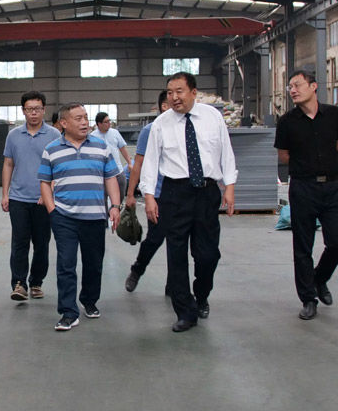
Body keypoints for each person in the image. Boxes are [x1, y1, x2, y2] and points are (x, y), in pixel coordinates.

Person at [140, 72, 237, 333]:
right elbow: (151, 161)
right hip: (175, 193)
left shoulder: (212, 117)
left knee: (208, 254)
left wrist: (229, 186)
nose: (174, 97)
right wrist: (149, 196)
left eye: (179, 91)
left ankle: (201, 294)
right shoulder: (161, 124)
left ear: (194, 92)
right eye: (170, 92)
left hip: (207, 192)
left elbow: (226, 152)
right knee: (176, 254)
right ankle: (185, 312)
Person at [39, 103, 122, 331]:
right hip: (64, 216)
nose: (85, 122)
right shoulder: (51, 149)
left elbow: (110, 178)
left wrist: (115, 206)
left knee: (94, 263)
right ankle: (68, 312)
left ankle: (89, 300)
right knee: (66, 264)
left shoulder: (101, 146)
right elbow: (44, 182)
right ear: (64, 123)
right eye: (78, 118)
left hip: (95, 216)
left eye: (86, 117)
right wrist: (52, 210)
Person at [274, 70, 338, 321]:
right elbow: (284, 155)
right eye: (290, 87)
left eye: (297, 85)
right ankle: (308, 299)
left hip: (332, 187)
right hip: (303, 188)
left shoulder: (334, 114)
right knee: (303, 246)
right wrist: (307, 166)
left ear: (313, 86)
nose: (293, 90)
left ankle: (319, 278)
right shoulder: (287, 121)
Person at [2, 91, 60, 301]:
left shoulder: (54, 135)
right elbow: (8, 164)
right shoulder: (13, 135)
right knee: (19, 242)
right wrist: (5, 194)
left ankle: (36, 282)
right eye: (29, 109)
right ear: (23, 111)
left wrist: (49, 192)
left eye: (37, 109)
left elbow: (58, 166)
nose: (33, 113)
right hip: (18, 198)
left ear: (44, 110)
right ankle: (19, 283)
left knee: (41, 243)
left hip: (43, 199)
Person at [124, 90, 171, 293]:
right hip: (158, 194)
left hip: (183, 194)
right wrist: (130, 194)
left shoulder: (188, 129)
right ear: (163, 106)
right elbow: (138, 164)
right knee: (155, 238)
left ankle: (175, 283)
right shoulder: (150, 131)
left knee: (178, 242)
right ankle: (137, 269)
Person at [90, 112, 133, 196]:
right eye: (106, 122)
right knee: (102, 197)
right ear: (99, 124)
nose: (109, 123)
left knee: (120, 194)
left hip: (118, 170)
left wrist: (129, 163)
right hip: (101, 173)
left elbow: (122, 149)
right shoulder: (92, 136)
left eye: (109, 121)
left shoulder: (115, 133)